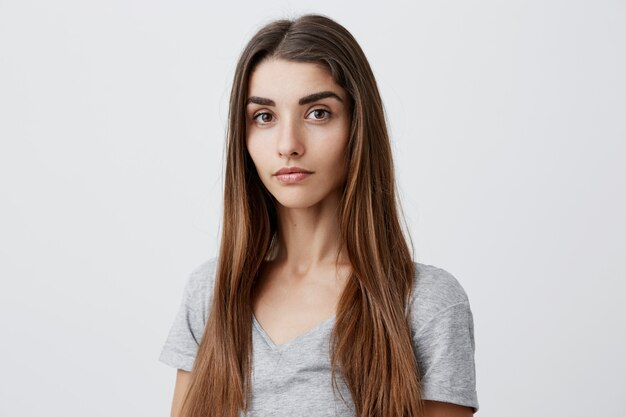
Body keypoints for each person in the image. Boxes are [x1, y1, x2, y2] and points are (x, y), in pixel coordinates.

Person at [159, 14, 479, 417]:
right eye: (264, 117)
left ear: (358, 126)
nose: (288, 144)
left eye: (318, 113)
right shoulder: (211, 293)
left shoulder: (425, 303)